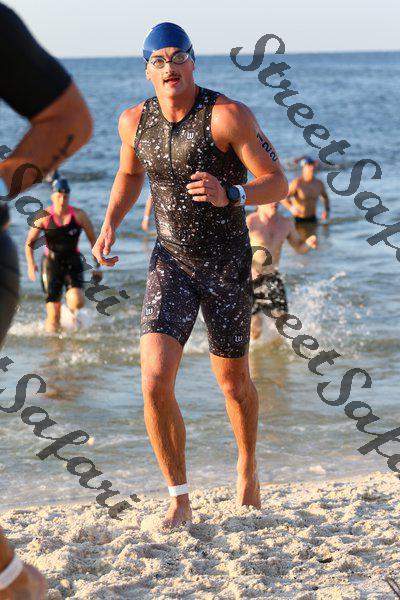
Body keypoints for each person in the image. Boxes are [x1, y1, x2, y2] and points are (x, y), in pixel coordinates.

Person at [93, 22, 288, 529]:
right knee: (154, 379)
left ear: (193, 61)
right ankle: (179, 496)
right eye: (158, 60)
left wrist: (233, 194)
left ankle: (247, 465)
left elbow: (278, 182)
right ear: (147, 69)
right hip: (171, 261)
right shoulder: (133, 121)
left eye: (178, 56)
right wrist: (109, 224)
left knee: (233, 383)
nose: (170, 66)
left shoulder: (227, 116)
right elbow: (129, 173)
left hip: (226, 263)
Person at [0, 3, 92, 597]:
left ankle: (16, 585)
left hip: (49, 264)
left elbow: (69, 119)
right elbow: (36, 242)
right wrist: (35, 267)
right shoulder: (47, 221)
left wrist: (2, 180)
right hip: (45, 267)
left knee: (71, 309)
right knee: (57, 317)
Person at [25, 177, 102, 332]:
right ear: (53, 196)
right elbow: (29, 243)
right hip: (51, 264)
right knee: (53, 315)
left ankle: (71, 313)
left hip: (73, 262)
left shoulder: (79, 215)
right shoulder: (44, 216)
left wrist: (97, 266)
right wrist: (31, 264)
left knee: (77, 302)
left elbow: (94, 241)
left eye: (65, 196)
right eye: (59, 196)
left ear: (69, 196)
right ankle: (54, 344)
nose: (62, 200)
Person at [247, 202, 317, 340]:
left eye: (277, 199)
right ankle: (250, 351)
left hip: (272, 277)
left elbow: (299, 247)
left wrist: (308, 244)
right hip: (251, 279)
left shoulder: (286, 223)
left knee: (282, 322)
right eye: (271, 200)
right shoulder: (250, 222)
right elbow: (234, 251)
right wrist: (248, 268)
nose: (275, 202)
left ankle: (275, 351)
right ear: (260, 203)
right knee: (256, 327)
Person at [281, 156, 330, 238]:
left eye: (312, 165)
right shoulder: (297, 183)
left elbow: (325, 197)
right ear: (303, 168)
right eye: (309, 165)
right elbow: (283, 198)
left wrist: (326, 210)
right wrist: (291, 208)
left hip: (313, 219)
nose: (311, 167)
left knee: (314, 243)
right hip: (298, 220)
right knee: (300, 243)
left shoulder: (319, 184)